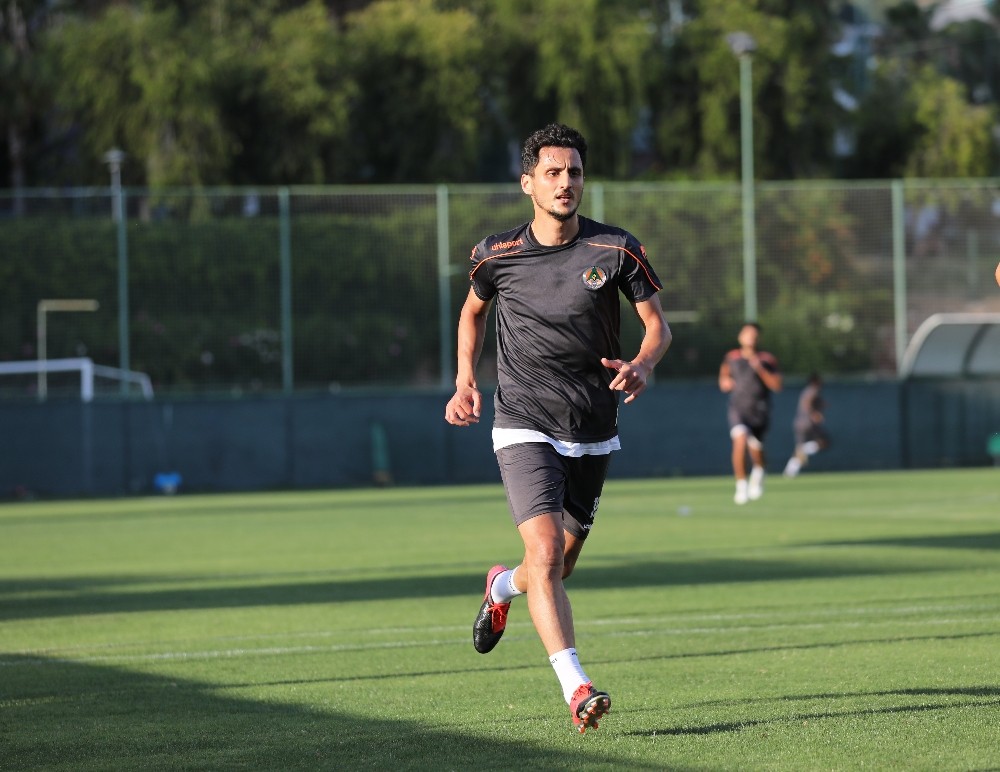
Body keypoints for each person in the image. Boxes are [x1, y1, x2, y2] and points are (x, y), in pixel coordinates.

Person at [444, 123, 671, 734]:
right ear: (528, 183)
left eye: (573, 171)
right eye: (552, 172)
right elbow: (471, 312)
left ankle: (502, 587)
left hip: (592, 423)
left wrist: (642, 364)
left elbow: (657, 326)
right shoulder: (496, 253)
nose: (565, 182)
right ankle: (577, 687)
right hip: (522, 419)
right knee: (544, 552)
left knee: (557, 565)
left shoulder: (616, 249)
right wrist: (465, 380)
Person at [718, 322, 782, 504]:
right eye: (747, 333)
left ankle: (760, 470)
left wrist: (760, 368)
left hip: (760, 410)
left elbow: (777, 385)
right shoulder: (731, 357)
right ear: (740, 336)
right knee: (740, 439)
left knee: (756, 450)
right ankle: (741, 485)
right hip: (738, 408)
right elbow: (723, 377)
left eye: (754, 335)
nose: (750, 338)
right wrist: (725, 382)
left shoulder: (767, 359)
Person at [783, 372, 830, 477]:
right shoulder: (813, 390)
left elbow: (813, 402)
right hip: (808, 424)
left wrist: (822, 404)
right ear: (815, 381)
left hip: (799, 423)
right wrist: (814, 414)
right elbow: (807, 402)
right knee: (824, 442)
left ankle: (790, 472)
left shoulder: (808, 391)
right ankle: (804, 450)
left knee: (800, 450)